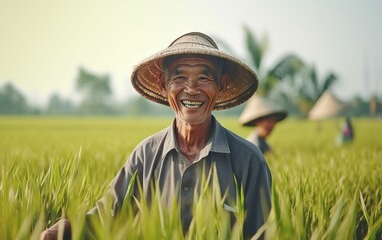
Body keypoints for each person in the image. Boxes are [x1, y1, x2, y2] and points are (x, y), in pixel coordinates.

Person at [41, 32, 272, 240]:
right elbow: (106, 216)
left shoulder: (248, 161)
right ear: (164, 85)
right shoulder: (146, 154)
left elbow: (259, 234)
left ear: (220, 86)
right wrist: (66, 228)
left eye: (204, 77)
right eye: (179, 77)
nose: (191, 89)